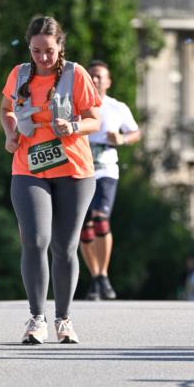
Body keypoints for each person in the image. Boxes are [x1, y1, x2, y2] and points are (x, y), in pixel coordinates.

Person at [0, 15, 101, 344]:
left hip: (73, 170)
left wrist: (72, 127)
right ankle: (36, 319)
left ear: (60, 47)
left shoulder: (76, 75)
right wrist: (10, 133)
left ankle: (64, 319)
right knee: (35, 240)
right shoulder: (19, 74)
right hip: (28, 167)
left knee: (65, 247)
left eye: (49, 51)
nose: (43, 58)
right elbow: (6, 109)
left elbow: (94, 120)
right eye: (36, 51)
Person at [80, 60, 140, 301]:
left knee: (101, 220)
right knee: (84, 226)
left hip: (106, 170)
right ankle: (96, 276)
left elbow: (136, 132)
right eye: (91, 76)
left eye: (99, 76)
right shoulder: (77, 104)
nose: (94, 80)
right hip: (81, 171)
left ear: (108, 81)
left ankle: (103, 274)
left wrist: (123, 140)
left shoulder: (117, 107)